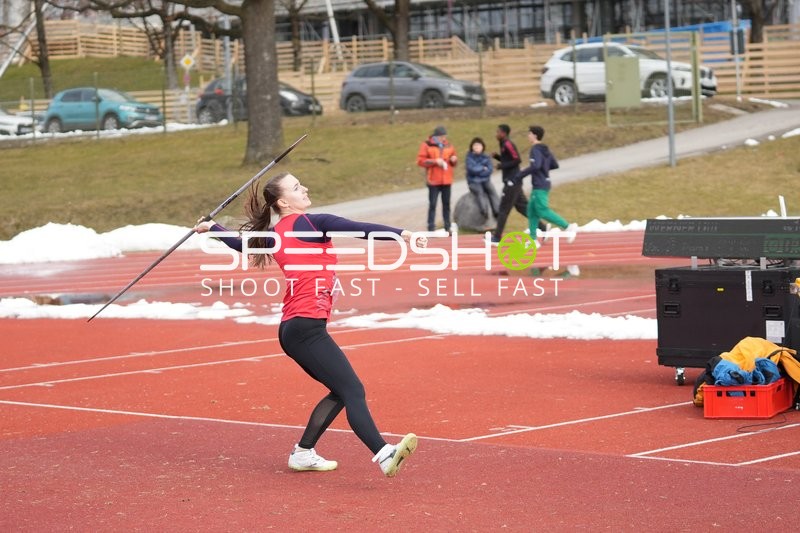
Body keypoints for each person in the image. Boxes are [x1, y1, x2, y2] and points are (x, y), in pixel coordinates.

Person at [194, 172, 422, 478]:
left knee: (341, 391)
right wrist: (403, 233)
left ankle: (303, 453)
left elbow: (241, 245)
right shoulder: (313, 222)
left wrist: (212, 227)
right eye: (298, 187)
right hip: (305, 328)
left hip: (295, 329)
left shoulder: (275, 234)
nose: (306, 189)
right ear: (283, 201)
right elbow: (360, 229)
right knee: (353, 389)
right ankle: (383, 454)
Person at [514, 125, 577, 247]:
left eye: (529, 133)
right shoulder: (545, 149)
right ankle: (532, 239)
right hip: (544, 182)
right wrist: (544, 170)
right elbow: (554, 164)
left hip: (539, 184)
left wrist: (520, 175)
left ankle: (568, 226)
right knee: (531, 210)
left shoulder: (535, 149)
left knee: (542, 210)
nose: (528, 136)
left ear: (535, 135)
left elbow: (536, 166)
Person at [490, 124, 528, 244]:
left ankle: (497, 237)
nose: (496, 134)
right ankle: (542, 228)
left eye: (498, 132)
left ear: (504, 133)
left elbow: (517, 160)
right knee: (522, 207)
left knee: (503, 209)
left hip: (513, 181)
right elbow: (508, 160)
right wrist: (497, 157)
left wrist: (501, 166)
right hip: (513, 181)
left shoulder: (508, 144)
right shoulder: (503, 144)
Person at [417, 125, 457, 232]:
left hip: (447, 179)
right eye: (442, 137)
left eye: (445, 136)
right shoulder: (426, 145)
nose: (444, 139)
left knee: (447, 204)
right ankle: (431, 226)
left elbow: (454, 160)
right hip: (433, 180)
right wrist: (435, 162)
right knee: (433, 204)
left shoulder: (448, 145)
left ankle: (447, 226)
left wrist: (453, 160)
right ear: (436, 136)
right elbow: (421, 161)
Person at [465, 137, 499, 223]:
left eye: (479, 145)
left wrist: (480, 170)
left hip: (485, 180)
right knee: (480, 192)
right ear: (472, 147)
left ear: (482, 147)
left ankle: (497, 211)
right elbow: (471, 169)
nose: (477, 147)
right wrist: (482, 168)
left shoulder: (486, 157)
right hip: (473, 181)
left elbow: (489, 170)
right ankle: (484, 211)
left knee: (492, 191)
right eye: (475, 145)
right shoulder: (469, 157)